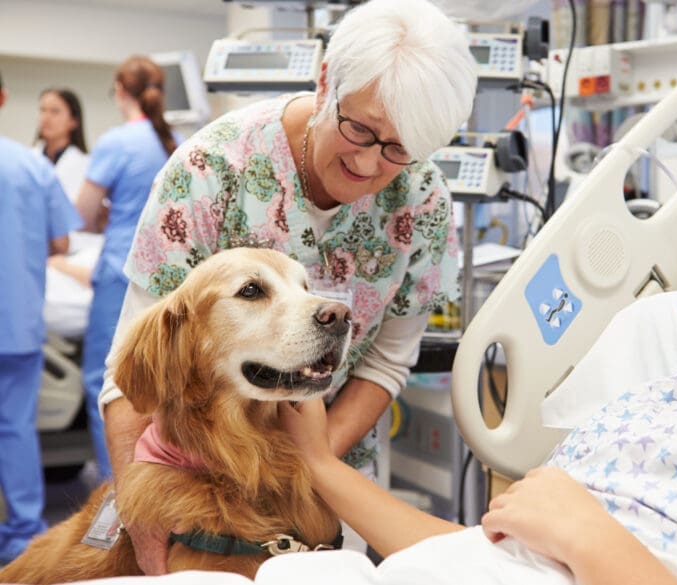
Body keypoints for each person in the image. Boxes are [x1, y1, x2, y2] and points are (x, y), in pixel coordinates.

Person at [280, 157, 677, 584]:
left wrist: (590, 538)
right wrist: (318, 466)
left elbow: (557, 539)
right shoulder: (654, 407)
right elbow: (484, 549)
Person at [98, 0, 477, 574]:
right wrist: (149, 542)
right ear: (327, 80)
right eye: (361, 130)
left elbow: (388, 361)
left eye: (400, 149)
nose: (372, 165)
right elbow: (133, 372)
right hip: (194, 483)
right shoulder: (210, 169)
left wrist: (311, 462)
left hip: (325, 483)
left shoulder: (421, 199)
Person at [75, 55, 181, 484]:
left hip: (122, 276)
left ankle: (116, 500)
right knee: (161, 391)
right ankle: (159, 489)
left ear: (121, 89)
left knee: (110, 387)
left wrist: (107, 213)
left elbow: (81, 214)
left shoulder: (117, 142)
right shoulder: (179, 139)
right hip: (174, 281)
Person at [0, 70, 83, 564]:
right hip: (17, 323)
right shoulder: (31, 167)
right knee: (14, 428)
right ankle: (22, 533)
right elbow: (61, 242)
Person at [33, 87, 90, 204]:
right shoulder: (28, 158)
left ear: (74, 121)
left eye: (55, 111)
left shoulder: (86, 165)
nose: (46, 118)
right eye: (42, 110)